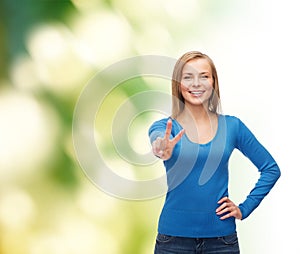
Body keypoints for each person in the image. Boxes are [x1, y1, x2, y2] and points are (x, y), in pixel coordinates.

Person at [148, 51, 281, 254]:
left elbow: (271, 169)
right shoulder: (165, 127)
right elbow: (158, 142)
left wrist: (244, 209)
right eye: (188, 77)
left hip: (221, 242)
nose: (196, 83)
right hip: (173, 242)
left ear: (213, 82)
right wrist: (161, 147)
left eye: (204, 76)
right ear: (178, 84)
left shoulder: (232, 126)